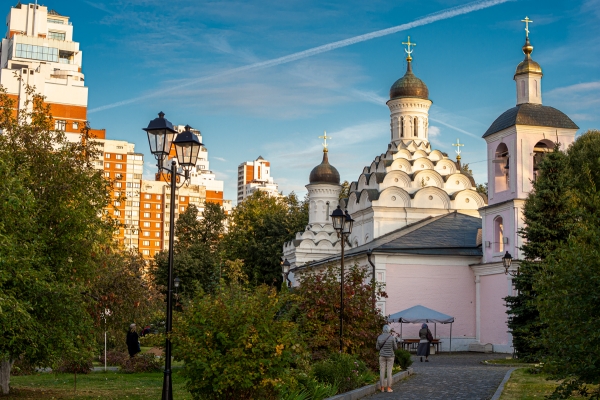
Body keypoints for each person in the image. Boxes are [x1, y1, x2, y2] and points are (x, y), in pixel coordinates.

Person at [376, 325, 397, 393]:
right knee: (389, 372)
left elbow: (377, 348)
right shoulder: (392, 338)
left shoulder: (379, 337)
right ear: (389, 330)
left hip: (382, 356)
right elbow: (395, 348)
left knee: (382, 371)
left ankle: (382, 388)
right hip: (390, 356)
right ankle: (388, 388)